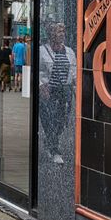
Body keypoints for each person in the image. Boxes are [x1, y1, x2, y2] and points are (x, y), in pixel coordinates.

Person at [39, 22, 76, 154]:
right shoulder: (42, 51)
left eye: (63, 32)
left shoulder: (70, 52)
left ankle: (50, 141)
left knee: (61, 122)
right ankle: (54, 149)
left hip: (65, 92)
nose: (62, 35)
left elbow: (73, 72)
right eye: (59, 32)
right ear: (51, 34)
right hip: (48, 91)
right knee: (50, 120)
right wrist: (41, 85)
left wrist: (76, 87)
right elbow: (35, 71)